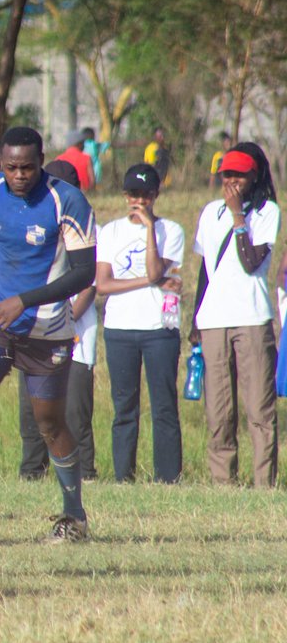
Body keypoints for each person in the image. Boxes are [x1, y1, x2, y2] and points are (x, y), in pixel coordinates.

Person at [0, 127, 96, 542]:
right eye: (11, 167)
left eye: (27, 167)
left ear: (41, 160)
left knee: (49, 423)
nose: (19, 175)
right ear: (0, 164)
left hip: (47, 328)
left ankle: (74, 515)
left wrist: (24, 301)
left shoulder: (68, 201)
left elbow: (84, 273)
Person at [190, 143, 280, 487]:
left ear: (253, 176)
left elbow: (251, 261)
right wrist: (195, 321)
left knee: (259, 407)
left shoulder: (266, 211)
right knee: (219, 410)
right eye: (226, 174)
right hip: (213, 320)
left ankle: (263, 484)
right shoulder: (210, 212)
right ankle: (222, 483)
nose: (231, 180)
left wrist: (238, 216)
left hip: (252, 318)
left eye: (239, 174)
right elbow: (204, 270)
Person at [96, 164, 184, 483]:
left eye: (146, 194)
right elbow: (103, 284)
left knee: (163, 406)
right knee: (124, 408)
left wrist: (148, 230)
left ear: (156, 195)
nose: (140, 201)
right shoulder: (110, 232)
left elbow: (154, 270)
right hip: (120, 328)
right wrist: (151, 282)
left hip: (159, 329)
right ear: (124, 196)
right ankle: (123, 478)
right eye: (134, 194)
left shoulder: (170, 230)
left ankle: (168, 478)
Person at [14, 160, 98, 482]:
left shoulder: (87, 223)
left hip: (75, 334)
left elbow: (88, 283)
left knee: (75, 412)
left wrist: (64, 319)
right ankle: (32, 472)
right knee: (30, 411)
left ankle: (85, 474)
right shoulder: (32, 225)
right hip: (35, 332)